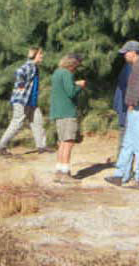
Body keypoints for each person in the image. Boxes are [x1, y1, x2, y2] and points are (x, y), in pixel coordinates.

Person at [105, 41, 139, 190]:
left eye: (126, 52)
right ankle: (120, 175)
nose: (124, 55)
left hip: (138, 109)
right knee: (127, 144)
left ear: (133, 52)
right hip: (136, 108)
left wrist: (132, 104)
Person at [0, 47, 49, 155]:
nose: (42, 56)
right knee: (17, 123)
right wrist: (20, 85)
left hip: (31, 102)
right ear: (34, 55)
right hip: (22, 101)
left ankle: (41, 146)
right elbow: (19, 72)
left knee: (37, 122)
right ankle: (0, 146)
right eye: (40, 54)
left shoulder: (35, 67)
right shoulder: (30, 65)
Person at [49, 53, 86, 182]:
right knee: (69, 142)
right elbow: (71, 92)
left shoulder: (57, 73)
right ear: (73, 64)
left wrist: (73, 83)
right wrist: (80, 86)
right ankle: (66, 173)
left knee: (62, 142)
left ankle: (59, 171)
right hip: (68, 112)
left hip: (58, 112)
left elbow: (63, 88)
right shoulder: (67, 74)